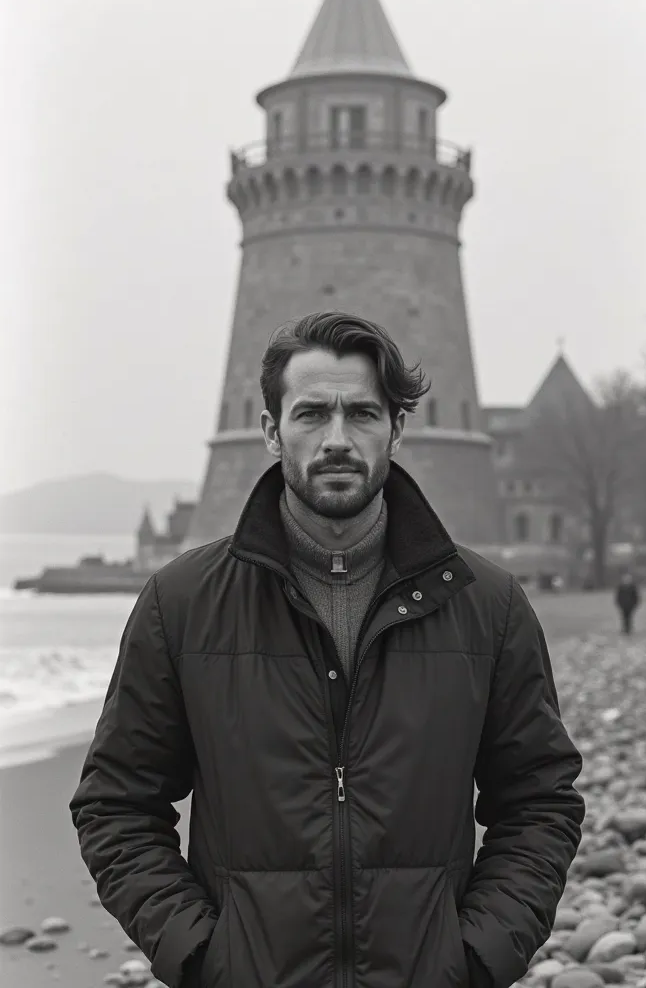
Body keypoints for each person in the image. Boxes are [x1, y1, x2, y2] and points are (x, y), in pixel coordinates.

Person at [70, 312, 585, 988]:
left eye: (363, 414)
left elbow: (541, 799)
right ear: (268, 429)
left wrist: (478, 957)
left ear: (396, 429)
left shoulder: (486, 606)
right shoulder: (183, 604)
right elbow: (115, 804)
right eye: (311, 414)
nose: (337, 439)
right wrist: (201, 957)